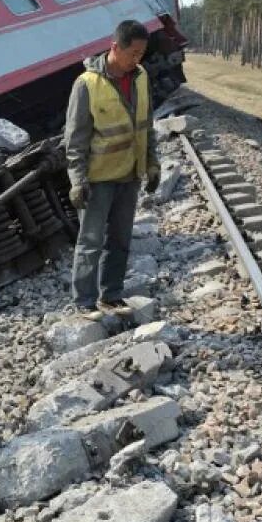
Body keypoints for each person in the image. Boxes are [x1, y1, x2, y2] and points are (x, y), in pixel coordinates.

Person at [63, 20, 160, 318]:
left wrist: (152, 164)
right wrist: (77, 181)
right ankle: (84, 302)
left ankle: (112, 295)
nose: (137, 58)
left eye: (142, 53)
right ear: (114, 47)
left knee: (120, 238)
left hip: (130, 174)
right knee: (91, 241)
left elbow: (147, 125)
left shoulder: (141, 77)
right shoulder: (87, 84)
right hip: (98, 178)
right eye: (133, 52)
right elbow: (75, 139)